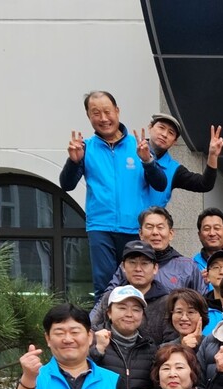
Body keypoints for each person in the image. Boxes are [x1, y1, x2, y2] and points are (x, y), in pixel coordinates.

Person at [59, 91, 166, 298]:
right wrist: (73, 161)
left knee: (139, 284)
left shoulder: (138, 145)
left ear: (117, 111)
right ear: (88, 116)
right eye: (96, 113)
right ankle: (104, 320)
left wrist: (147, 161)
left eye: (107, 111)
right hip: (101, 227)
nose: (103, 118)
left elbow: (160, 184)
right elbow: (67, 185)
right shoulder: (86, 148)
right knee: (105, 288)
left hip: (135, 227)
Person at [89, 285, 156, 389]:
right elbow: (80, 376)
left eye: (136, 309)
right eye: (122, 308)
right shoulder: (92, 343)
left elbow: (158, 385)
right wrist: (98, 351)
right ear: (109, 313)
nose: (129, 314)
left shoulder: (151, 348)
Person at [98, 207, 204, 303]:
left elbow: (202, 304)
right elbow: (106, 300)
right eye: (149, 227)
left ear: (171, 234)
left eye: (160, 227)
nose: (155, 232)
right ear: (140, 234)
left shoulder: (188, 266)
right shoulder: (127, 265)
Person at [90, 239, 172, 345]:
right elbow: (91, 330)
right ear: (123, 267)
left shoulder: (167, 302)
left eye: (144, 263)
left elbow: (171, 341)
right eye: (132, 263)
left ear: (155, 268)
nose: (138, 269)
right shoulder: (110, 297)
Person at [143, 114, 223, 209]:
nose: (164, 134)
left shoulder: (174, 169)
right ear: (150, 127)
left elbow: (204, 184)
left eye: (171, 133)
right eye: (161, 127)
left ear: (174, 142)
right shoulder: (130, 151)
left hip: (152, 218)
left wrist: (213, 155)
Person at [192, 208, 223, 274]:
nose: (212, 233)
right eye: (207, 229)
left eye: (217, 228)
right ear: (199, 235)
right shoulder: (191, 266)